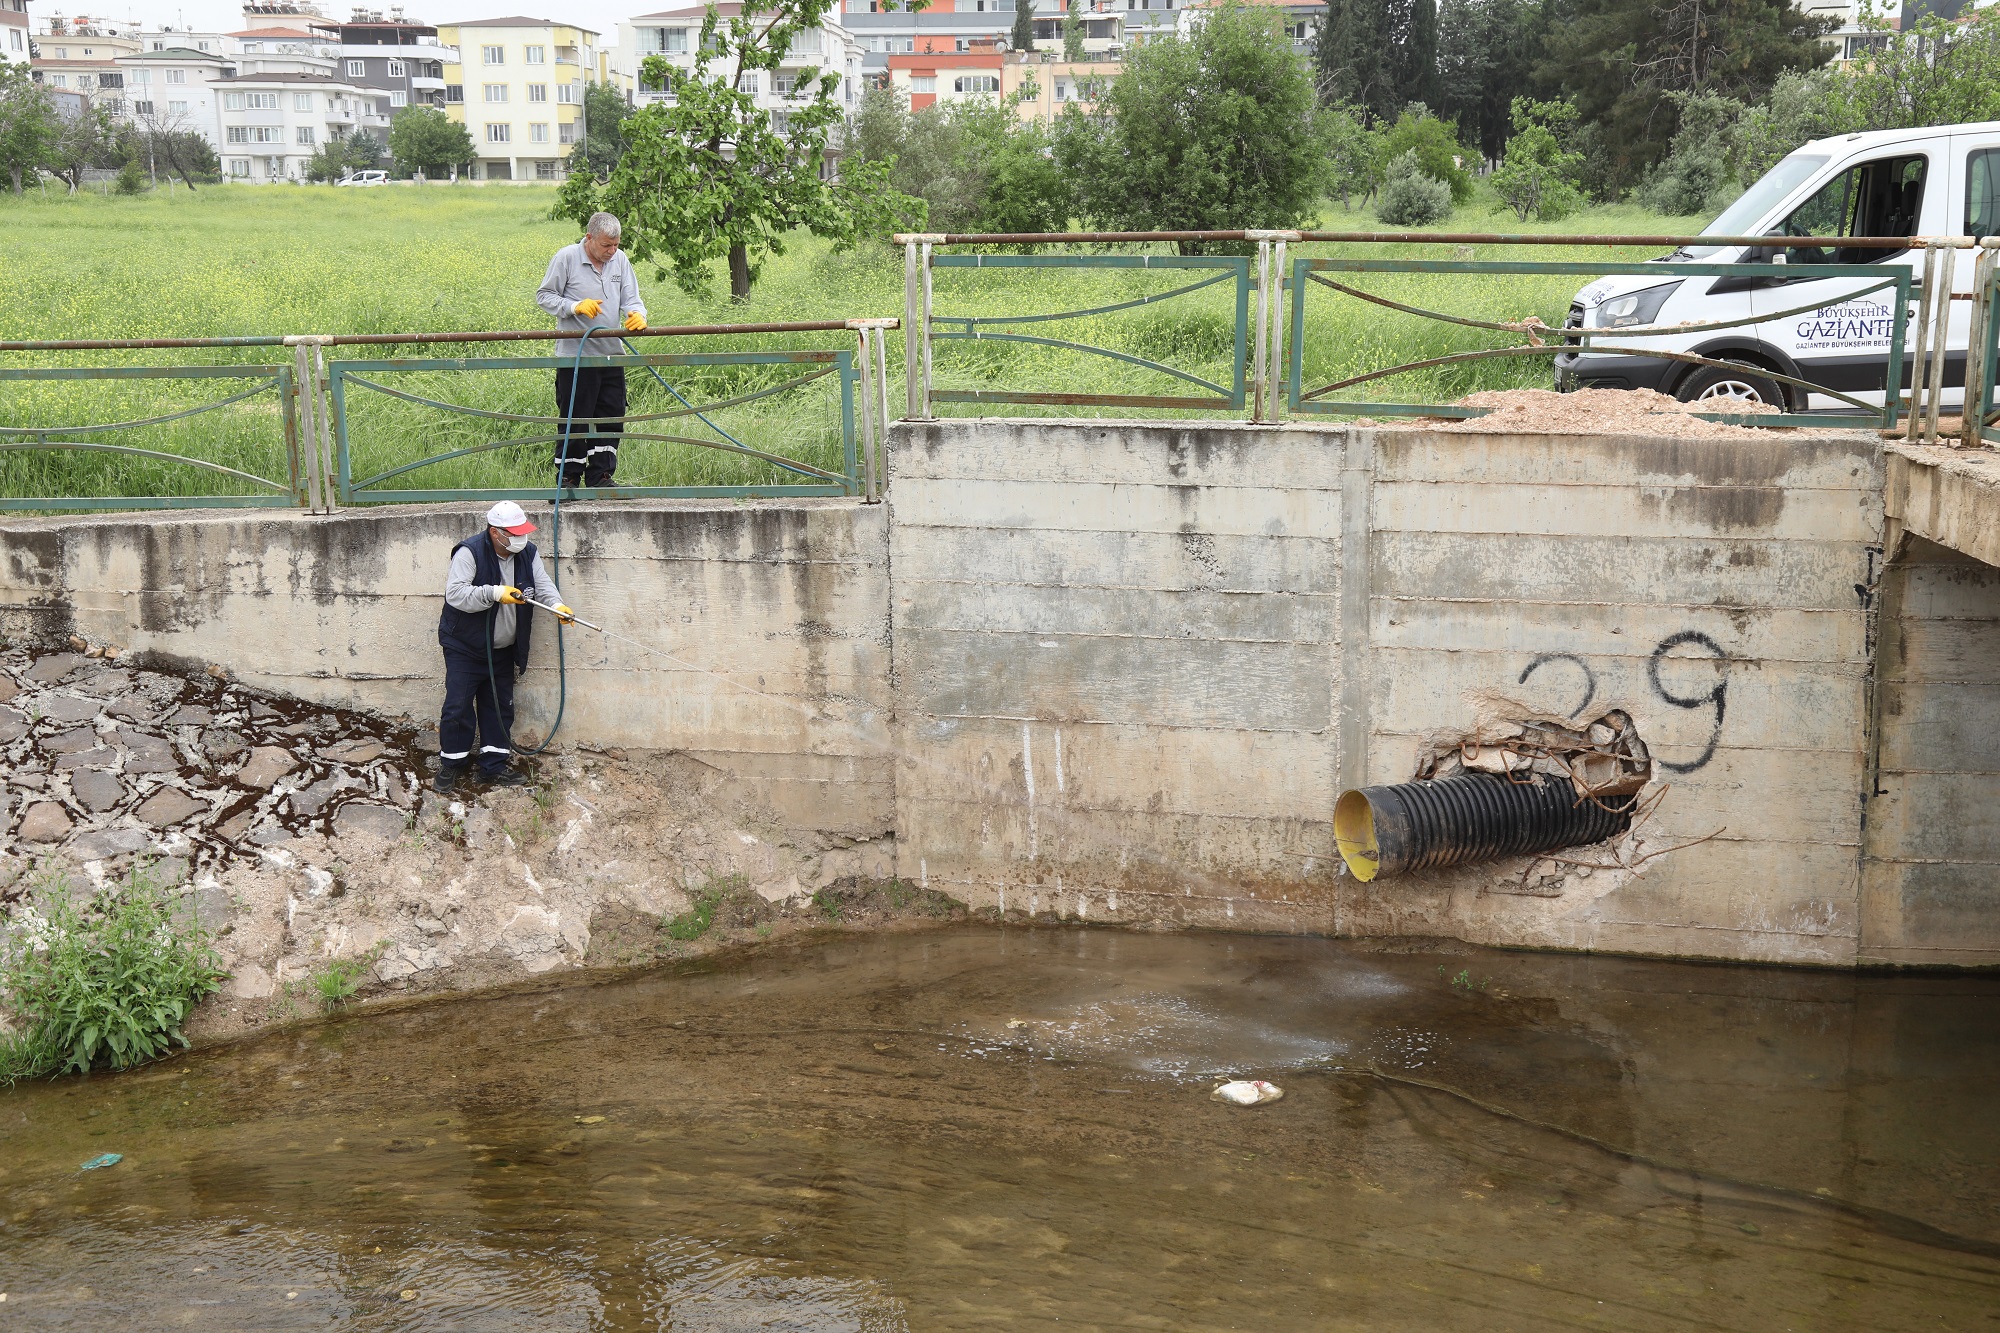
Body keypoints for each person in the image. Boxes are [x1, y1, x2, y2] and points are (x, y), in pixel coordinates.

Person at [435, 500, 576, 792]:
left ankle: (493, 767)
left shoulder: (528, 553)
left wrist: (558, 606)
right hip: (466, 647)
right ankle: (452, 765)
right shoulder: (469, 552)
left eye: (522, 532)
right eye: (512, 533)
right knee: (457, 707)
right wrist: (494, 593)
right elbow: (456, 595)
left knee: (499, 707)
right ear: (495, 532)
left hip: (503, 649)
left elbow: (542, 584)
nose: (519, 539)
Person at [535, 211, 648, 490]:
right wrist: (574, 306)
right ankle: (568, 478)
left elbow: (632, 298)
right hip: (576, 356)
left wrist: (637, 314)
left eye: (616, 245)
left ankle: (601, 476)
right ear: (589, 238)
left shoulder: (620, 260)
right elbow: (544, 296)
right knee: (576, 416)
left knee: (611, 415)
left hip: (611, 354)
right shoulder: (566, 258)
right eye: (606, 245)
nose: (612, 251)